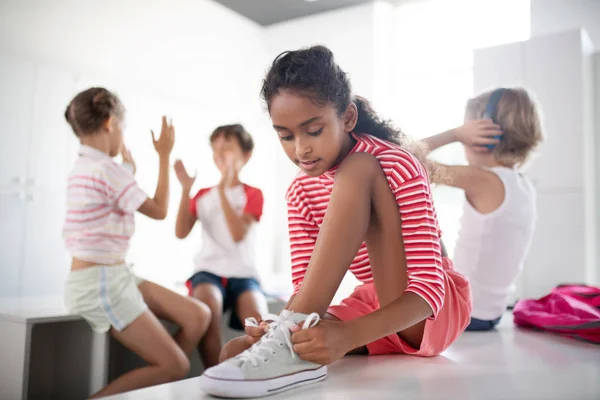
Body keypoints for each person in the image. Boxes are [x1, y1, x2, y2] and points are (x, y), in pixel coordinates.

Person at [198, 46, 471, 398]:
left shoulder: (395, 163)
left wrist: (347, 336)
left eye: (313, 130)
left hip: (426, 308)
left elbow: (429, 291)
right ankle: (286, 340)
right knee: (233, 353)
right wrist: (283, 328)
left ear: (348, 118)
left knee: (358, 169)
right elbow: (305, 291)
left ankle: (290, 337)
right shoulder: (300, 191)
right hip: (370, 303)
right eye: (286, 136)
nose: (301, 150)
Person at [63, 87, 210, 397]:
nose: (122, 137)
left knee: (199, 316)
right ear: (109, 124)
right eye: (123, 128)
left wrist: (127, 171)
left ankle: (162, 382)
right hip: (100, 282)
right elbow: (158, 210)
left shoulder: (89, 167)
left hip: (111, 275)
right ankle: (166, 373)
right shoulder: (106, 170)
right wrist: (165, 154)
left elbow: (109, 199)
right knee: (176, 366)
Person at [423, 87, 543, 331]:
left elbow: (406, 159)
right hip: (490, 314)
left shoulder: (485, 181)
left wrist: (454, 133)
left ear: (484, 132)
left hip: (462, 313)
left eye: (469, 130)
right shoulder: (522, 184)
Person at [174, 124, 268, 367]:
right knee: (209, 308)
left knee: (260, 321)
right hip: (208, 272)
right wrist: (186, 190)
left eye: (227, 148)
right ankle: (216, 376)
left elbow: (237, 234)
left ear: (246, 155)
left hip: (244, 273)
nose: (220, 154)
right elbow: (181, 232)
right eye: (216, 149)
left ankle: (253, 377)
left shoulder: (253, 193)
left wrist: (225, 189)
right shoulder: (203, 195)